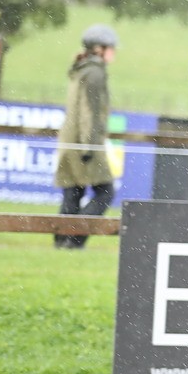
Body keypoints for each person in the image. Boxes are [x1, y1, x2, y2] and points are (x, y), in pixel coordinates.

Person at [53, 24, 118, 248]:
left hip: (71, 141)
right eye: (111, 47)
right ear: (99, 49)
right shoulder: (95, 73)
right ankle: (75, 239)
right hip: (84, 142)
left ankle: (62, 242)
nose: (114, 52)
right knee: (106, 192)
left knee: (73, 192)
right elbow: (88, 112)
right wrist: (90, 148)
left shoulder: (81, 68)